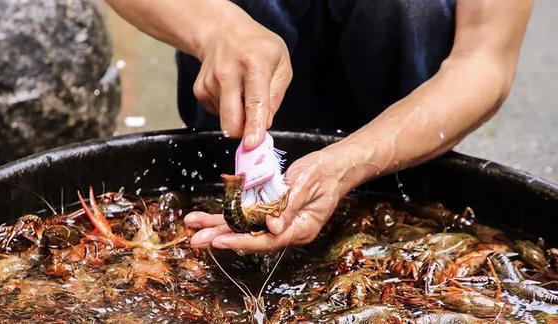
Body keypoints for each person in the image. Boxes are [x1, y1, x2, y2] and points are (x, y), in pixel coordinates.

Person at [106, 0, 533, 253]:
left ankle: (389, 177)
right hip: (240, 118)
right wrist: (216, 28)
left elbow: (484, 60)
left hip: (401, 133)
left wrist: (353, 159)